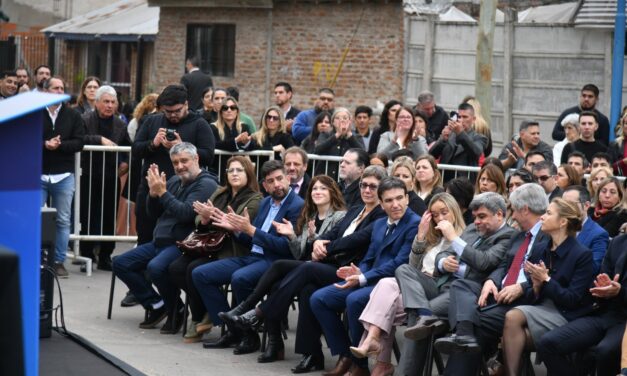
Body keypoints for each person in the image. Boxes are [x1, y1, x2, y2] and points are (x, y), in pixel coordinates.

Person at [222, 165, 388, 373]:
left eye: (373, 187)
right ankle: (312, 355)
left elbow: (356, 240)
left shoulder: (381, 215)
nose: (367, 190)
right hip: (330, 263)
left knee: (306, 270)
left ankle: (258, 312)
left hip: (349, 270)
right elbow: (335, 233)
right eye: (364, 185)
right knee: (303, 286)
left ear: (382, 189)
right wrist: (319, 242)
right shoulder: (356, 210)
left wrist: (324, 246)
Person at [218, 176, 346, 362]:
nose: (317, 192)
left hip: (325, 268)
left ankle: (251, 311)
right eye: (314, 189)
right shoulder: (310, 215)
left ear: (332, 193)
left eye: (323, 189)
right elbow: (299, 253)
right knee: (277, 285)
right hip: (306, 267)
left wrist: (314, 236)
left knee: (279, 266)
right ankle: (274, 343)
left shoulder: (340, 216)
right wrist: (292, 236)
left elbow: (331, 247)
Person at [433, 183, 551, 375]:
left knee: (472, 323)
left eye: (512, 210)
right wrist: (492, 281)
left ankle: (464, 337)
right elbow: (504, 266)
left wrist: (521, 287)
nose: (511, 216)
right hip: (496, 293)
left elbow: (549, 273)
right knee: (461, 286)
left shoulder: (547, 237)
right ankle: (464, 336)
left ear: (525, 209)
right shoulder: (520, 236)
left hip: (525, 302)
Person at [394, 192, 516, 376]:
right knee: (404, 269)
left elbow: (484, 263)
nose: (477, 222)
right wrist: (443, 263)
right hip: (441, 283)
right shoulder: (472, 230)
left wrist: (454, 239)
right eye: (475, 217)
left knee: (417, 317)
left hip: (465, 293)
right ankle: (424, 312)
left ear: (499, 214)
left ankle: (408, 371)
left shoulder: (508, 236)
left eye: (482, 216)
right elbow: (443, 255)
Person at [310, 177, 421, 376]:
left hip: (393, 285)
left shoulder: (414, 224)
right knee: (319, 299)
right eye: (388, 200)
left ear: (407, 198)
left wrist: (363, 278)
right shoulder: (379, 224)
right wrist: (359, 271)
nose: (395, 204)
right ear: (381, 203)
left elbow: (399, 263)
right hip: (369, 278)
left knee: (354, 299)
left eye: (399, 198)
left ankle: (359, 365)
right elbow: (370, 256)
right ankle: (346, 355)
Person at [193, 160, 304, 355]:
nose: (277, 184)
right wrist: (236, 230)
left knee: (240, 277)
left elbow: (287, 248)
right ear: (264, 185)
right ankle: (234, 330)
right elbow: (251, 239)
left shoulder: (297, 206)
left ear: (288, 178)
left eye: (280, 179)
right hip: (252, 256)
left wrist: (251, 230)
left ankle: (248, 335)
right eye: (271, 181)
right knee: (200, 274)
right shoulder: (265, 202)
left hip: (274, 262)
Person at [111, 142, 218, 333]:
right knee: (120, 262)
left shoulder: (206, 183)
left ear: (196, 159)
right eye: (175, 162)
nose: (180, 166)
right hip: (159, 241)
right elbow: (152, 213)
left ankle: (174, 310)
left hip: (182, 243)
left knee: (156, 267)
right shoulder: (175, 181)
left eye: (184, 161)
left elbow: (185, 213)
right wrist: (153, 195)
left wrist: (162, 192)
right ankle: (159, 305)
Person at [168, 156, 263, 343]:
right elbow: (197, 221)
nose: (234, 174)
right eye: (230, 171)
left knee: (193, 270)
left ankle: (209, 318)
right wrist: (204, 218)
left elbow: (240, 224)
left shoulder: (255, 199)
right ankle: (206, 311)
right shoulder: (220, 192)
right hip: (208, 245)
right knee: (175, 268)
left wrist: (219, 219)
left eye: (239, 170)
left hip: (232, 250)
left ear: (248, 174)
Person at [499, 198, 594, 375]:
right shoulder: (541, 248)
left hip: (565, 314)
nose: (542, 217)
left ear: (563, 222)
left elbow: (572, 300)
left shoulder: (582, 255)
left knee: (512, 323)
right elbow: (533, 295)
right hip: (541, 308)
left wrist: (546, 280)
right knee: (512, 331)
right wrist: (535, 286)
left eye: (548, 213)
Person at [132, 84, 215, 245]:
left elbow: (208, 156)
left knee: (174, 238)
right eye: (168, 112)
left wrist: (183, 146)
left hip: (183, 192)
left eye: (177, 111)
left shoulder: (200, 124)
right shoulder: (152, 121)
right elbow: (135, 149)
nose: (172, 115)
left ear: (186, 105)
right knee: (145, 235)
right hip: (152, 190)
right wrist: (153, 144)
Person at [537, 233, 627, 376]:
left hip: (623, 320)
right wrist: (603, 286)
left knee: (605, 351)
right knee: (547, 343)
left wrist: (620, 291)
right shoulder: (618, 241)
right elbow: (604, 276)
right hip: (605, 313)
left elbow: (618, 290)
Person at [80, 85, 131, 270]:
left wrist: (126, 162)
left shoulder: (120, 124)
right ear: (97, 102)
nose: (110, 106)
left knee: (109, 216)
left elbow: (128, 146)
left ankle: (105, 256)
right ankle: (86, 254)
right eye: (106, 102)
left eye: (113, 102)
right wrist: (99, 139)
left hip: (111, 175)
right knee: (88, 215)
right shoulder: (85, 119)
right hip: (89, 174)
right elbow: (79, 139)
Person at [41, 76, 86, 278]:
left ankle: (58, 261)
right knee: (35, 217)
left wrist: (60, 145)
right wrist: (44, 144)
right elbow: (26, 138)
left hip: (64, 175)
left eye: (62, 88)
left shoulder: (73, 115)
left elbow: (79, 142)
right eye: (55, 88)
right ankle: (36, 258)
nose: (60, 91)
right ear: (46, 90)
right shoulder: (35, 113)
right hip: (38, 173)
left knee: (62, 220)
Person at [430, 103, 487, 182]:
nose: (461, 120)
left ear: (473, 119)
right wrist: (442, 139)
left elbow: (476, 152)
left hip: (465, 184)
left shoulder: (479, 138)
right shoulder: (449, 134)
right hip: (444, 181)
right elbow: (431, 155)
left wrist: (460, 133)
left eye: (465, 117)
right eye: (459, 117)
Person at [561, 185, 609, 273]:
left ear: (586, 205)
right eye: (563, 205)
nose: (566, 209)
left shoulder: (598, 234)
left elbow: (593, 268)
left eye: (570, 204)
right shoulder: (558, 226)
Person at [314, 107, 365, 179]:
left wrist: (349, 136)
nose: (341, 121)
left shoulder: (356, 137)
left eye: (345, 118)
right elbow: (317, 150)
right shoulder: (325, 134)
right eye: (337, 118)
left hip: (347, 179)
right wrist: (337, 135)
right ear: (333, 122)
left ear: (350, 121)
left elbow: (363, 154)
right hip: (325, 177)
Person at [609, 111, 627, 176]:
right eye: (626, 123)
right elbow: (608, 167)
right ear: (623, 125)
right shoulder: (615, 144)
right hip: (620, 182)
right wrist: (623, 162)